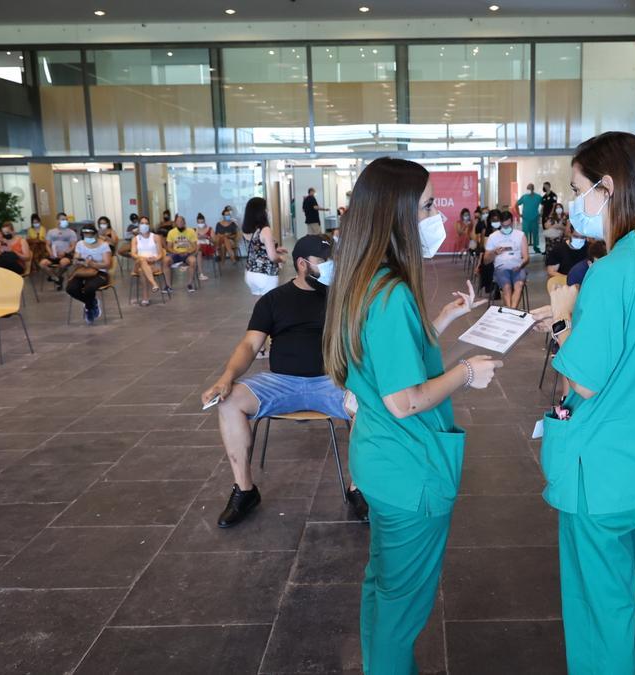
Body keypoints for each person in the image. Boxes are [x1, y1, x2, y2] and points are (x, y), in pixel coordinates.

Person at [322, 157, 498, 673]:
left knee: (383, 588)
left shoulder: (363, 279)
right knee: (402, 608)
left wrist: (441, 320)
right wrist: (466, 372)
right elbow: (406, 400)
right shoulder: (391, 292)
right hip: (410, 468)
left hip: (378, 460)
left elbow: (385, 363)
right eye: (426, 206)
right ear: (397, 214)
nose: (435, 215)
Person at [539, 131, 635, 674]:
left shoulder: (608, 272)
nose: (573, 201)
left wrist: (563, 320)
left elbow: (583, 380)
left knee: (599, 606)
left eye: (578, 188)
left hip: (603, 471)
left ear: (607, 189)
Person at [201, 235, 369, 526]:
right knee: (229, 403)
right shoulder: (273, 301)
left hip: (331, 381)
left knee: (367, 406)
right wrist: (226, 378)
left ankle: (360, 488)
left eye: (334, 261)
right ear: (302, 264)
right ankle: (245, 490)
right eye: (325, 262)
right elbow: (250, 346)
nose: (332, 267)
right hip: (280, 382)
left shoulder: (341, 299)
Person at [67, 224, 113, 324]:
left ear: (95, 234)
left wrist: (93, 264)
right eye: (85, 235)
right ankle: (92, 303)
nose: (88, 237)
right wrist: (77, 261)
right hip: (83, 271)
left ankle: (88, 309)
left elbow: (107, 264)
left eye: (90, 235)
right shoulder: (80, 244)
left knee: (89, 288)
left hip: (100, 272)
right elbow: (76, 258)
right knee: (71, 288)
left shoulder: (104, 245)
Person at [484, 211, 529, 308]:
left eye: (508, 225)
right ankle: (511, 311)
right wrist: (494, 253)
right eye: (504, 226)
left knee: (519, 285)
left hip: (518, 266)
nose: (506, 228)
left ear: (512, 222)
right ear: (500, 223)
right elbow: (486, 260)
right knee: (506, 287)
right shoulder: (493, 237)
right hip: (501, 268)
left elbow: (526, 258)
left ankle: (511, 311)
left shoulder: (520, 235)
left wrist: (521, 265)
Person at [243, 196, 286, 296]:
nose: (268, 211)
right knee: (270, 307)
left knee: (259, 307)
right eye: (266, 208)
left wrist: (276, 249)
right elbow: (272, 257)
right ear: (261, 211)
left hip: (250, 274)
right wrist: (281, 259)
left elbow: (258, 249)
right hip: (265, 275)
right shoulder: (265, 230)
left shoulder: (254, 230)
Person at [131, 217, 166, 306]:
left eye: (146, 223)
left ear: (149, 225)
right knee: (142, 260)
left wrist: (155, 259)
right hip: (138, 264)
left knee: (142, 271)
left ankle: (145, 298)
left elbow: (160, 254)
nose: (144, 225)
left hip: (153, 265)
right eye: (142, 223)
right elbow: (133, 254)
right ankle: (153, 283)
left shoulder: (156, 237)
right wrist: (144, 258)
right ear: (139, 225)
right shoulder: (135, 239)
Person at [39, 213, 78, 290]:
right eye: (63, 219)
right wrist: (51, 253)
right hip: (53, 255)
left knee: (63, 263)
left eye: (66, 219)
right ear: (58, 220)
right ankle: (56, 278)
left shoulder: (71, 232)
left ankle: (56, 276)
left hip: (66, 255)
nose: (65, 221)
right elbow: (47, 245)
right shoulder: (51, 232)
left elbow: (73, 246)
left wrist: (65, 252)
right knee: (42, 264)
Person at [166, 215, 199, 293]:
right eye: (178, 222)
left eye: (181, 222)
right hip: (176, 254)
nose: (180, 223)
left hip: (187, 254)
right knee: (165, 261)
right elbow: (169, 247)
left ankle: (190, 284)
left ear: (184, 222)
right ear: (175, 223)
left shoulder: (191, 231)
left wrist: (188, 252)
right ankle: (168, 286)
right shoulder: (171, 232)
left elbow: (194, 246)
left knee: (193, 261)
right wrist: (176, 252)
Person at [516, 182, 544, 253]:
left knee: (535, 233)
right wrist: (519, 214)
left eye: (529, 188)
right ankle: (524, 248)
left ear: (533, 189)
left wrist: (541, 212)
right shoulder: (524, 196)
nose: (528, 189)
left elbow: (544, 204)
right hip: (525, 218)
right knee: (525, 234)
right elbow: (516, 204)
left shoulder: (538, 197)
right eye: (527, 188)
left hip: (535, 218)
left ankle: (536, 247)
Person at [194, 213, 214, 281]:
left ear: (204, 221)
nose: (200, 224)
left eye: (202, 222)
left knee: (197, 248)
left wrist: (207, 237)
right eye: (199, 222)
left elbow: (214, 241)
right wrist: (198, 237)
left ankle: (189, 259)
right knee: (198, 250)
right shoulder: (196, 230)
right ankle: (201, 274)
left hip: (208, 247)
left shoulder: (210, 229)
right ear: (197, 222)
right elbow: (193, 240)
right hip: (199, 247)